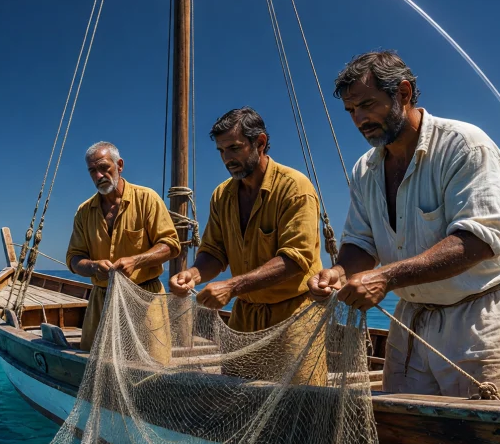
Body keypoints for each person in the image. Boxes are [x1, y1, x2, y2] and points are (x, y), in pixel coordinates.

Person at [308, 51, 500, 401]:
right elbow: (361, 243)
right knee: (407, 435)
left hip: (480, 318)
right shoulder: (365, 169)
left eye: (368, 104)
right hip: (411, 320)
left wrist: (384, 278)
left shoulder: (465, 145)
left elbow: (479, 241)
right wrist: (338, 272)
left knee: (487, 440)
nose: (360, 119)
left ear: (403, 92)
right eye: (351, 111)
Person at [168, 108, 326, 384]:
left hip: (293, 317)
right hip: (244, 319)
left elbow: (295, 259)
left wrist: (231, 287)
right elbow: (214, 253)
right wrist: (193, 274)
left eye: (234, 148)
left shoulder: (294, 187)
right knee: (238, 399)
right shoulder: (222, 195)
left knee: (299, 404)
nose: (227, 158)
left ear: (260, 143)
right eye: (221, 151)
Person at [66, 142, 181, 362]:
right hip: (102, 302)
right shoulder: (84, 212)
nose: (99, 175)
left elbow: (171, 245)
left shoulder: (147, 199)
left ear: (119, 165)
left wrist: (136, 261)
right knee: (96, 367)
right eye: (92, 171)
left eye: (104, 167)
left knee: (152, 370)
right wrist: (92, 266)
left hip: (145, 300)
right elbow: (73, 259)